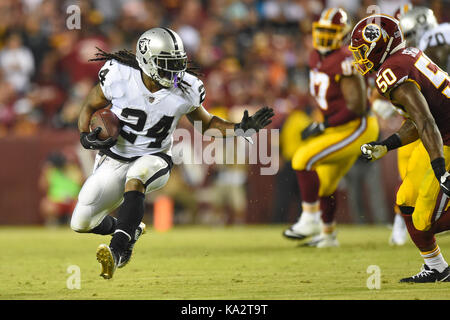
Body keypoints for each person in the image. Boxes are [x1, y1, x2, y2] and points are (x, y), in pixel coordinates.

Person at [71, 27, 274, 279]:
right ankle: (129, 229)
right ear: (146, 60)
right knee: (81, 223)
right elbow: (91, 103)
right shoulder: (119, 74)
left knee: (138, 173)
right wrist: (83, 133)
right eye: (167, 64)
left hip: (156, 158)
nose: (175, 71)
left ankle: (117, 250)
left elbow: (207, 125)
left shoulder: (186, 87)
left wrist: (241, 128)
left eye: (178, 63)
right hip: (114, 158)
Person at [350, 14, 450, 282]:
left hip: (447, 138)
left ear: (379, 47)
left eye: (362, 52)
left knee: (424, 219)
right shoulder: (406, 56)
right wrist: (386, 145)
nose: (359, 59)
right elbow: (418, 121)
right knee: (405, 199)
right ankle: (437, 268)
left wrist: (439, 168)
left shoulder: (391, 71)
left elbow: (426, 122)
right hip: (442, 132)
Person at [282, 8, 379, 247]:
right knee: (324, 183)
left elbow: (356, 106)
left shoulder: (346, 59)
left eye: (331, 31)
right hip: (338, 126)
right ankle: (328, 235)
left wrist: (323, 124)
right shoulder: (315, 56)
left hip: (358, 125)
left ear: (344, 34)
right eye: (322, 31)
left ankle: (310, 217)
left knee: (302, 158)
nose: (325, 36)